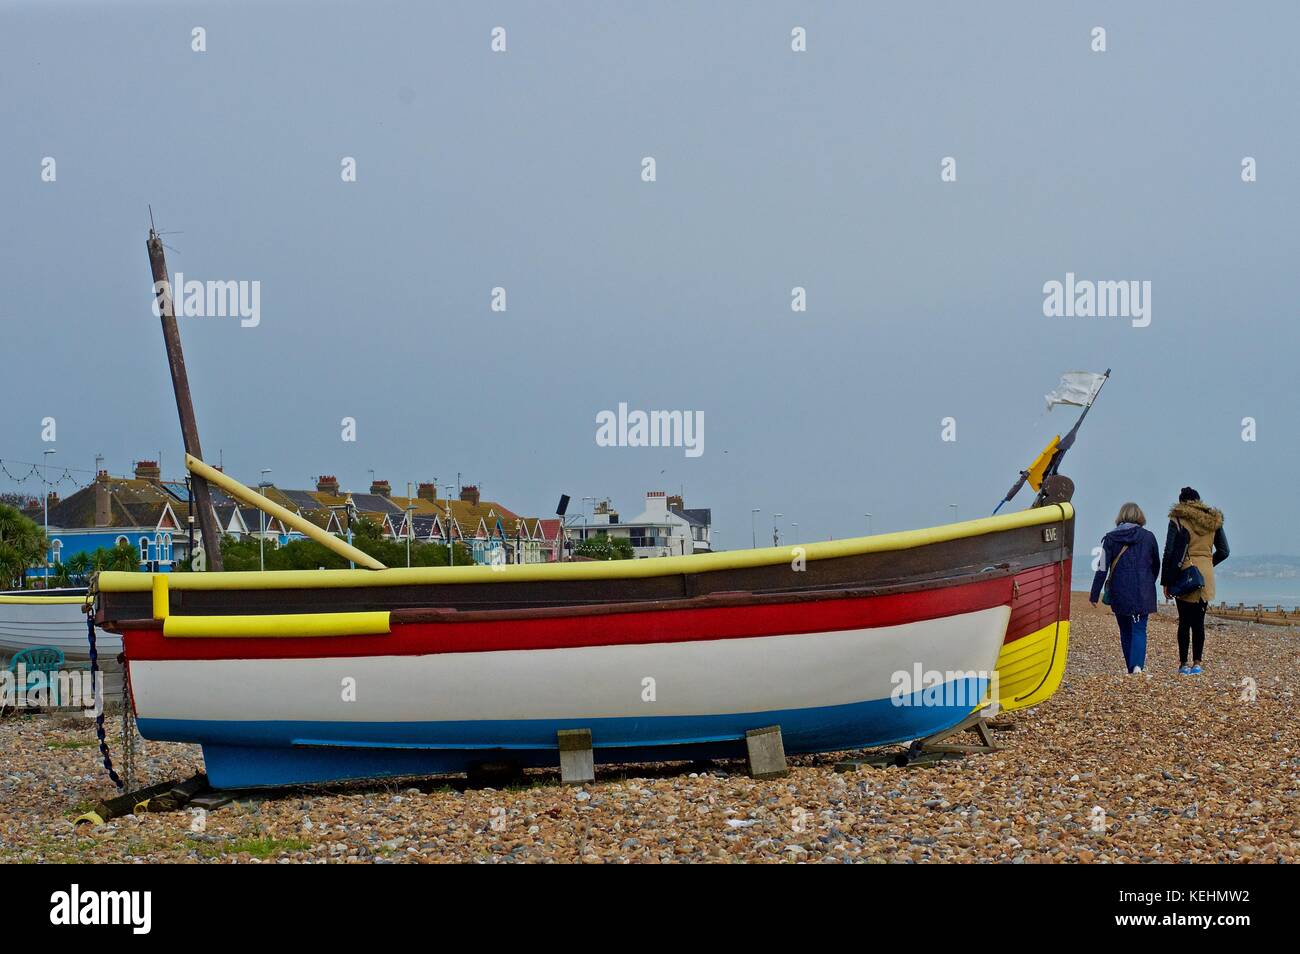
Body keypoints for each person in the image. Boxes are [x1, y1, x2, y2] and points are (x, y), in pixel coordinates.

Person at [1160, 487, 1229, 675]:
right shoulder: (1213, 520)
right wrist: (1207, 564)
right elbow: (1224, 551)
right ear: (1199, 500)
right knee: (1199, 622)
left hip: (1184, 574)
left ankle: (1183, 664)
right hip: (1205, 575)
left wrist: (1166, 580)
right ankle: (1197, 663)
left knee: (1184, 621)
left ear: (1181, 502)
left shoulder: (1178, 519)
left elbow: (1170, 551)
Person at [1089, 502, 1160, 674]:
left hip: (1120, 590)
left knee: (1125, 629)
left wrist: (1094, 593)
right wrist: (1149, 582)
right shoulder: (1148, 537)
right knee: (1139, 628)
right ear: (1140, 516)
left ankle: (1131, 666)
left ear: (1120, 516)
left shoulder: (1111, 538)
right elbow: (1156, 564)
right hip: (1143, 590)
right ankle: (1137, 666)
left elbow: (1102, 567)